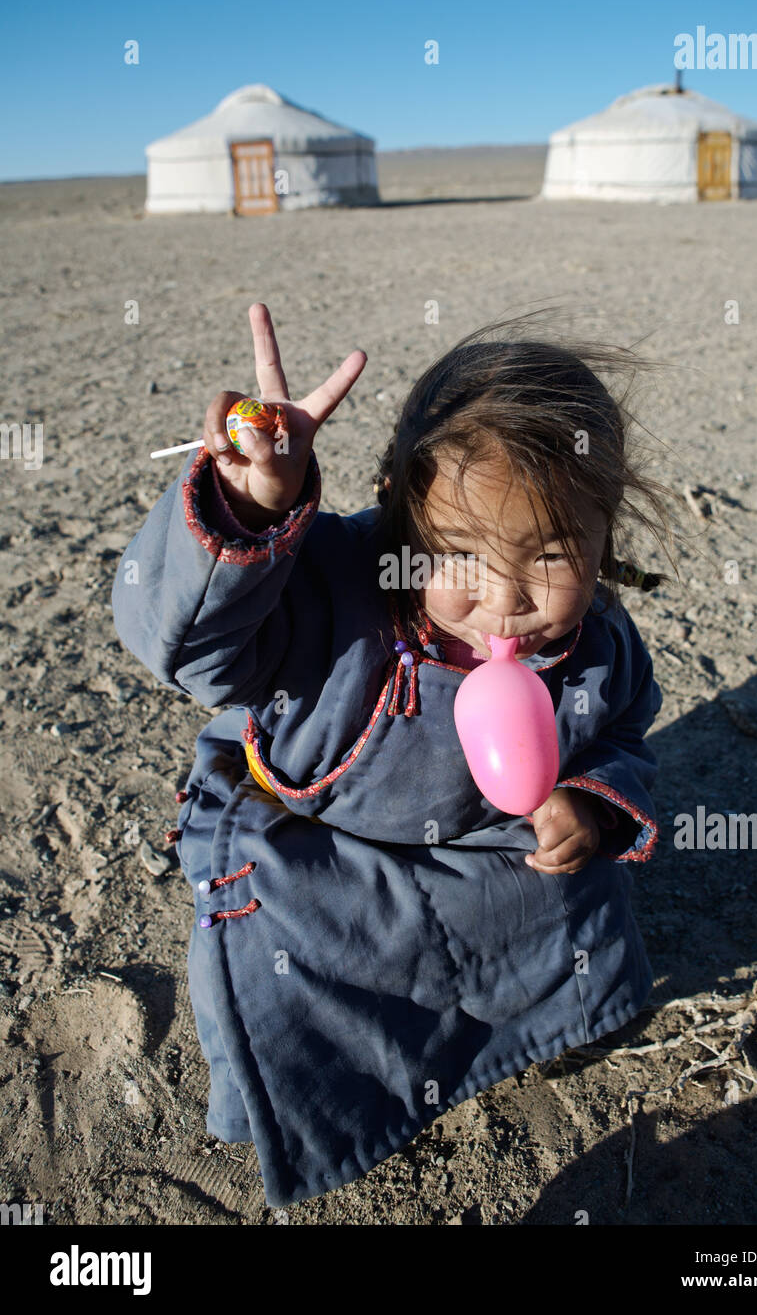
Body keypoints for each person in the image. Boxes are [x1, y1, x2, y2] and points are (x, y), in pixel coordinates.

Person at [112, 303, 675, 1209]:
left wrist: (594, 802)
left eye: (555, 552)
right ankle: (282, 1098)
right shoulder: (334, 585)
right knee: (263, 945)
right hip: (313, 835)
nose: (506, 597)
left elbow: (623, 736)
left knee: (578, 887)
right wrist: (251, 511)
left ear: (607, 537)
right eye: (459, 552)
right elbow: (188, 651)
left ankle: (555, 1023)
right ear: (403, 515)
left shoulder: (599, 645)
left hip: (481, 842)